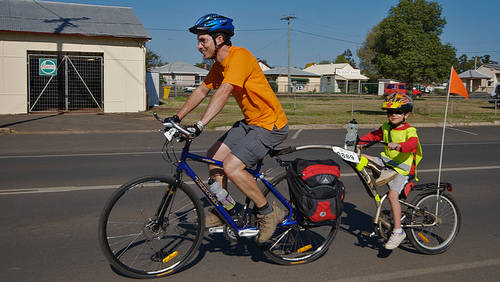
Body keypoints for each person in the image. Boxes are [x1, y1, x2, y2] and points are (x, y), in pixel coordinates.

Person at [171, 14, 289, 243]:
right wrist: (176, 117)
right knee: (212, 157)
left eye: (203, 40)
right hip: (251, 123)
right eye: (198, 41)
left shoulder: (240, 57)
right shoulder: (219, 65)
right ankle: (224, 209)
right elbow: (202, 91)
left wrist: (199, 125)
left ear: (220, 39)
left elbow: (224, 92)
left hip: (270, 125)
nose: (199, 46)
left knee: (231, 167)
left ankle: (268, 212)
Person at [359, 92, 422, 249]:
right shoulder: (386, 127)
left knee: (393, 196)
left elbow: (412, 144)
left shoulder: (410, 130)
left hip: (403, 169)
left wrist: (400, 146)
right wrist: (358, 142)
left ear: (406, 114)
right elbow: (374, 136)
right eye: (390, 112)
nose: (393, 115)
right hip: (388, 162)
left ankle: (398, 231)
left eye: (398, 112)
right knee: (358, 157)